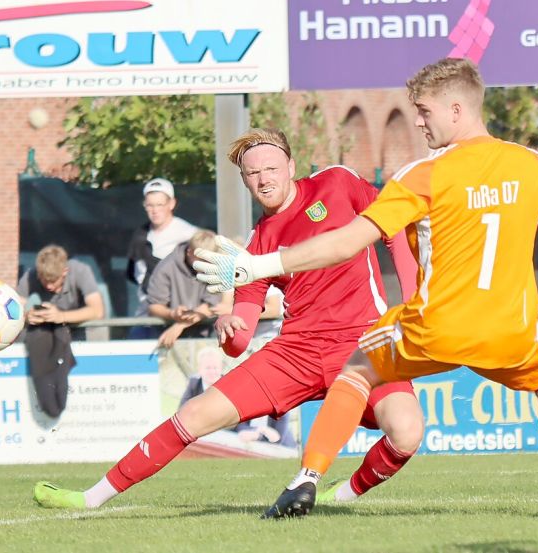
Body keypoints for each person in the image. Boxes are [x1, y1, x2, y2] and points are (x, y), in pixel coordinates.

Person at [194, 58, 538, 519]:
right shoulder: (532, 165)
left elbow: (345, 243)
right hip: (511, 330)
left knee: (357, 371)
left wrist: (260, 265)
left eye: (423, 112)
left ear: (456, 110)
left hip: (434, 327)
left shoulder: (422, 174)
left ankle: (305, 480)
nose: (419, 123)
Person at [32, 128, 424, 513]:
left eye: (270, 168)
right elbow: (241, 335)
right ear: (244, 180)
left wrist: (410, 300)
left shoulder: (337, 183)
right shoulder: (255, 247)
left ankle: (342, 494)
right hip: (297, 352)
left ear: (290, 165)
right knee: (194, 414)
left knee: (407, 434)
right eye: (253, 173)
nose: (264, 179)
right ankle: (90, 498)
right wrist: (229, 330)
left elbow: (395, 225)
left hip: (361, 343)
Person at [17, 245, 105, 419]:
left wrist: (61, 316)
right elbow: (14, 310)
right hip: (50, 334)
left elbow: (97, 311)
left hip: (77, 331)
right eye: (45, 281)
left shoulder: (81, 271)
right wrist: (27, 316)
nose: (49, 287)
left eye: (54, 282)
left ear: (65, 271)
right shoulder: (31, 275)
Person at [126, 177, 198, 336]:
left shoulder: (189, 235)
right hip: (147, 318)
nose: (155, 210)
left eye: (160, 204)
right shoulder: (140, 236)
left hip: (184, 320)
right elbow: (136, 275)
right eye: (150, 205)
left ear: (171, 204)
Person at [146, 229, 232, 349]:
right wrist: (172, 313)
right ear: (189, 252)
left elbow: (213, 306)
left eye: (209, 259)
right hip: (167, 338)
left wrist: (180, 325)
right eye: (201, 259)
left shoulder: (218, 267)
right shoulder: (165, 268)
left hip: (209, 338)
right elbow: (154, 306)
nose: (205, 264)